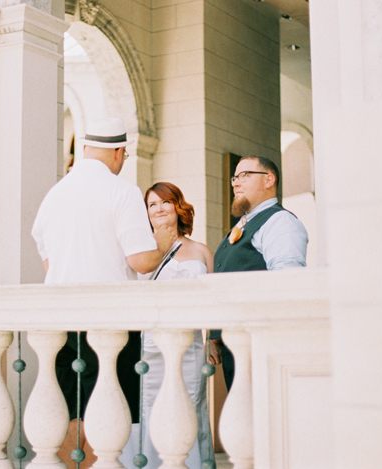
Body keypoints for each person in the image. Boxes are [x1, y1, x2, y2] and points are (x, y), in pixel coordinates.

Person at [31, 118, 176, 469]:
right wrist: (164, 245)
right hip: (109, 322)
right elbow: (141, 261)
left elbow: (49, 265)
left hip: (59, 321)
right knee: (110, 413)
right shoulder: (120, 190)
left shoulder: (55, 194)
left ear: (84, 150)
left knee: (68, 412)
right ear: (118, 153)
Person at [131, 182, 214, 469]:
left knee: (189, 404)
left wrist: (212, 339)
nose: (158, 208)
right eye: (151, 204)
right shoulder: (140, 253)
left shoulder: (201, 250)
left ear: (177, 206)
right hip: (150, 346)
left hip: (189, 344)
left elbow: (213, 301)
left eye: (164, 202)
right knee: (151, 406)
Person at [209, 156, 308, 390]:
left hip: (261, 343)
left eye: (244, 175)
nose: (235, 183)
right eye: (235, 177)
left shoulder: (280, 222)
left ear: (269, 180)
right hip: (236, 344)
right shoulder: (244, 223)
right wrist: (215, 334)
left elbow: (287, 284)